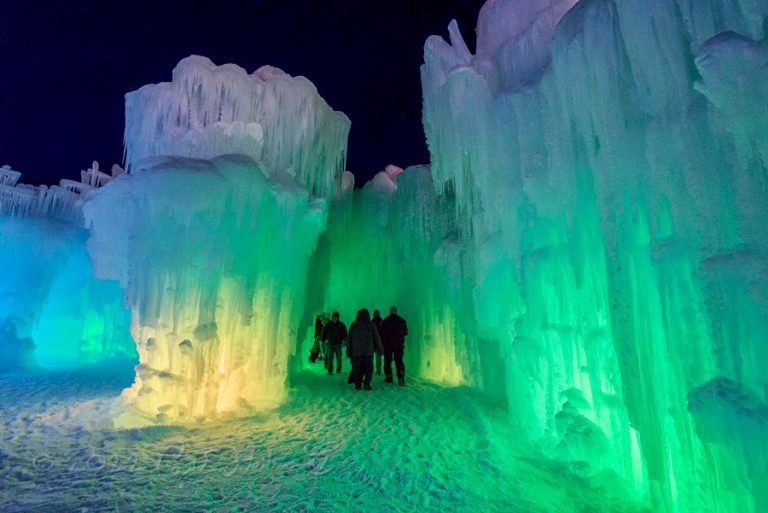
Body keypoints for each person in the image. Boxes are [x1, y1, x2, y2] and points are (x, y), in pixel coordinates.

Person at [346, 308, 383, 390]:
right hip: (368, 352)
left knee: (357, 369)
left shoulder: (354, 325)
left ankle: (358, 384)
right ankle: (366, 383)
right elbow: (377, 337)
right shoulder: (371, 324)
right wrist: (380, 349)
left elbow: (349, 339)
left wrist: (348, 351)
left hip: (356, 352)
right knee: (369, 369)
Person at [380, 305, 408, 386]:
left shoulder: (385, 321)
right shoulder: (402, 321)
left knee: (387, 361)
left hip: (388, 345)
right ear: (396, 311)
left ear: (390, 311)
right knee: (399, 361)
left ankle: (389, 377)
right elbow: (406, 332)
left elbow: (382, 332)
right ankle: (401, 377)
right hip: (399, 345)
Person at [372, 309, 384, 375]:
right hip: (380, 342)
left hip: (372, 342)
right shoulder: (382, 321)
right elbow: (384, 332)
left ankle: (371, 370)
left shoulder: (371, 321)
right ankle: (378, 370)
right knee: (378, 357)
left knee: (370, 357)